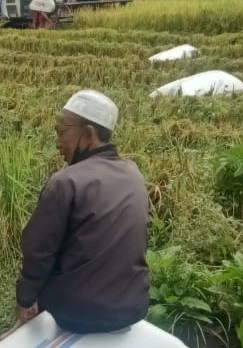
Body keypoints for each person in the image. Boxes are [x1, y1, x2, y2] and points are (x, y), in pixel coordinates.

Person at [13, 90, 150, 334]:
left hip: (77, 315)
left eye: (61, 131)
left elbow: (39, 251)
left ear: (88, 133)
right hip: (132, 309)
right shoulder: (133, 173)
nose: (58, 143)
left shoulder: (66, 182)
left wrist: (25, 301)